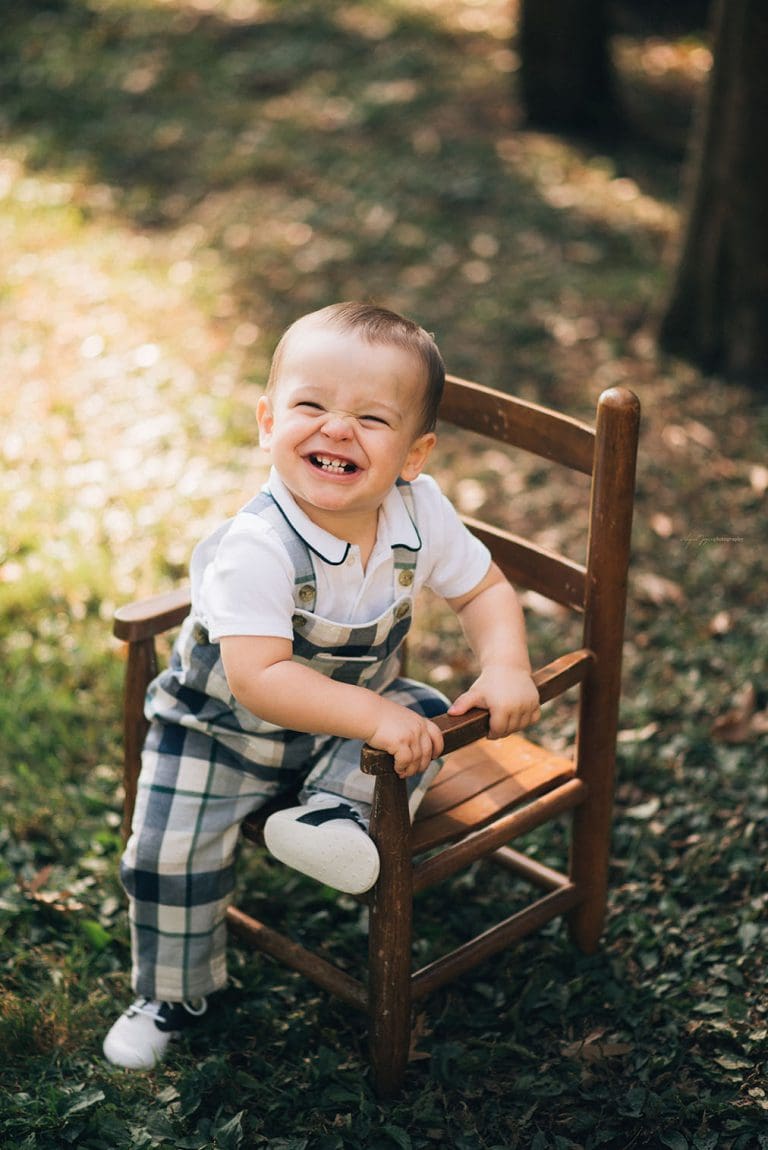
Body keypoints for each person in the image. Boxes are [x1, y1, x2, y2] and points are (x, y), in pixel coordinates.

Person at [103, 302, 541, 1069]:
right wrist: (371, 714)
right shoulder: (259, 546)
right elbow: (261, 679)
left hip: (342, 727)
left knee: (426, 714)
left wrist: (505, 663)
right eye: (312, 406)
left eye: (372, 418)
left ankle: (326, 819)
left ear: (414, 454)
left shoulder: (419, 514)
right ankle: (174, 993)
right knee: (166, 858)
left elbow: (484, 590)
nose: (337, 429)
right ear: (269, 423)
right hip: (221, 730)